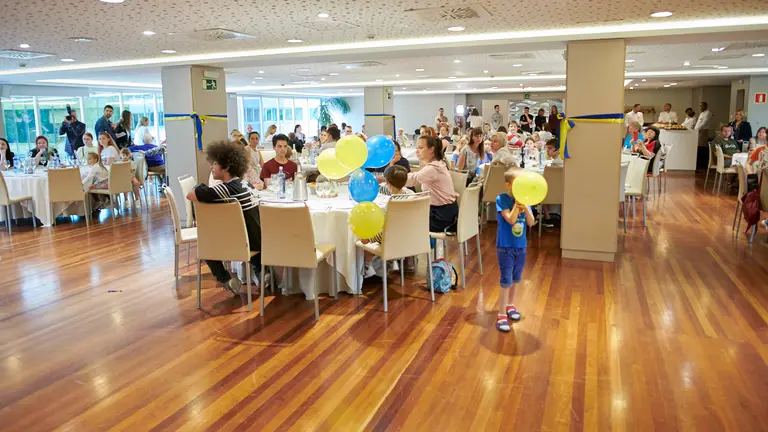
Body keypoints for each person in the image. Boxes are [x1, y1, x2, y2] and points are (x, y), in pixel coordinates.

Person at [186, 141, 263, 294]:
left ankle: (226, 280)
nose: (211, 167)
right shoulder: (246, 184)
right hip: (259, 240)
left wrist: (199, 186)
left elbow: (191, 195)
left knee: (206, 242)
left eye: (214, 164)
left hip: (241, 244)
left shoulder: (225, 188)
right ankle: (261, 272)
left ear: (226, 167)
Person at [494, 167, 535, 332]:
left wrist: (525, 207)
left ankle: (510, 305)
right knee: (506, 281)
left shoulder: (526, 201)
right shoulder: (502, 199)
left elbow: (531, 222)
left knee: (516, 279)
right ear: (508, 185)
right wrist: (517, 206)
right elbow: (511, 220)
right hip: (505, 247)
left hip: (520, 246)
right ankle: (501, 313)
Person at [405, 135, 458, 233]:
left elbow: (412, 179)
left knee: (405, 221)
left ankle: (422, 247)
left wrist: (387, 178)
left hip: (442, 217)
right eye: (417, 148)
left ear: (431, 149)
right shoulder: (438, 164)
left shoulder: (433, 168)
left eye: (420, 148)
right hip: (447, 212)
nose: (417, 151)